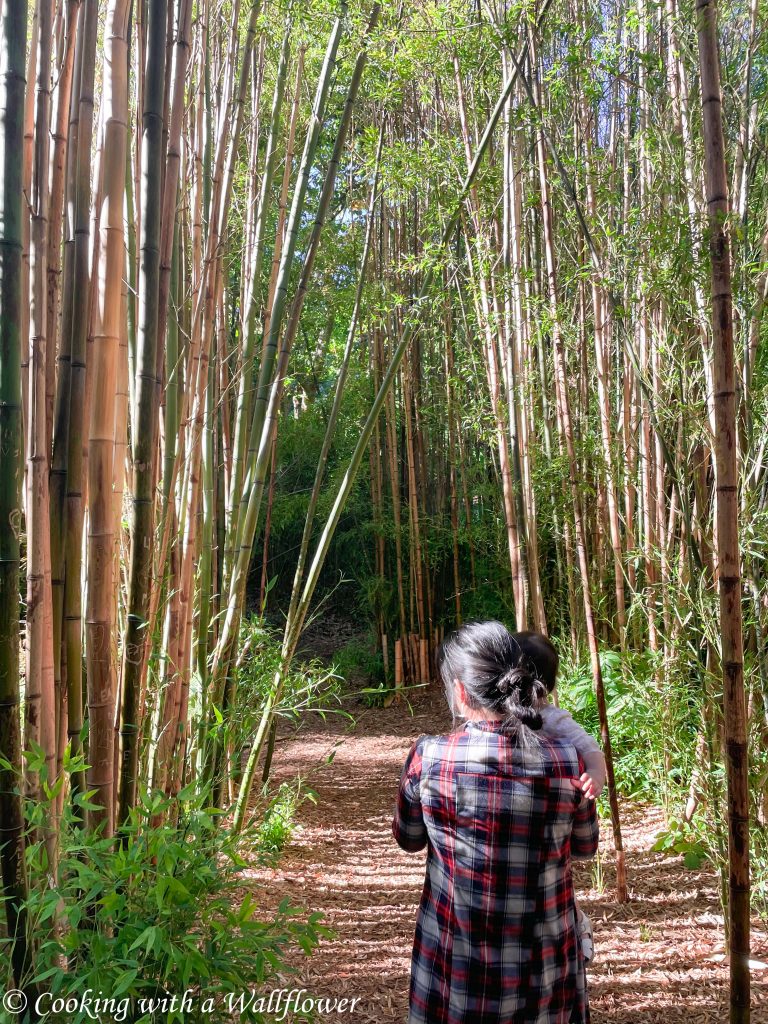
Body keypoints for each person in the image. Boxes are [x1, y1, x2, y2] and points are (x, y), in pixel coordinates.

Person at [392, 620, 599, 1024]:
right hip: (546, 972)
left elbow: (409, 837)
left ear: (462, 691)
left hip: (455, 969)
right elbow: (586, 845)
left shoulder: (429, 757)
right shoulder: (566, 761)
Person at [513, 631, 606, 801]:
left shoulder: (555, 720)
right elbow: (592, 749)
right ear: (552, 681)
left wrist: (595, 776)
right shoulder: (554, 718)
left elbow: (591, 750)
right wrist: (596, 773)